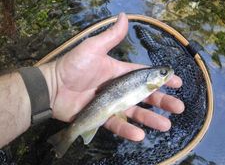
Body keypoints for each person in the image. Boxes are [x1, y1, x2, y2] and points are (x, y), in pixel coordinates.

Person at [0, 13, 184, 148]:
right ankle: (69, 134)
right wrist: (53, 82)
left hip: (103, 105)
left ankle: (69, 134)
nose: (165, 74)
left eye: (162, 73)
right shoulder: (146, 82)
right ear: (152, 77)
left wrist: (50, 84)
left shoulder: (148, 83)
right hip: (101, 105)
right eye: (162, 73)